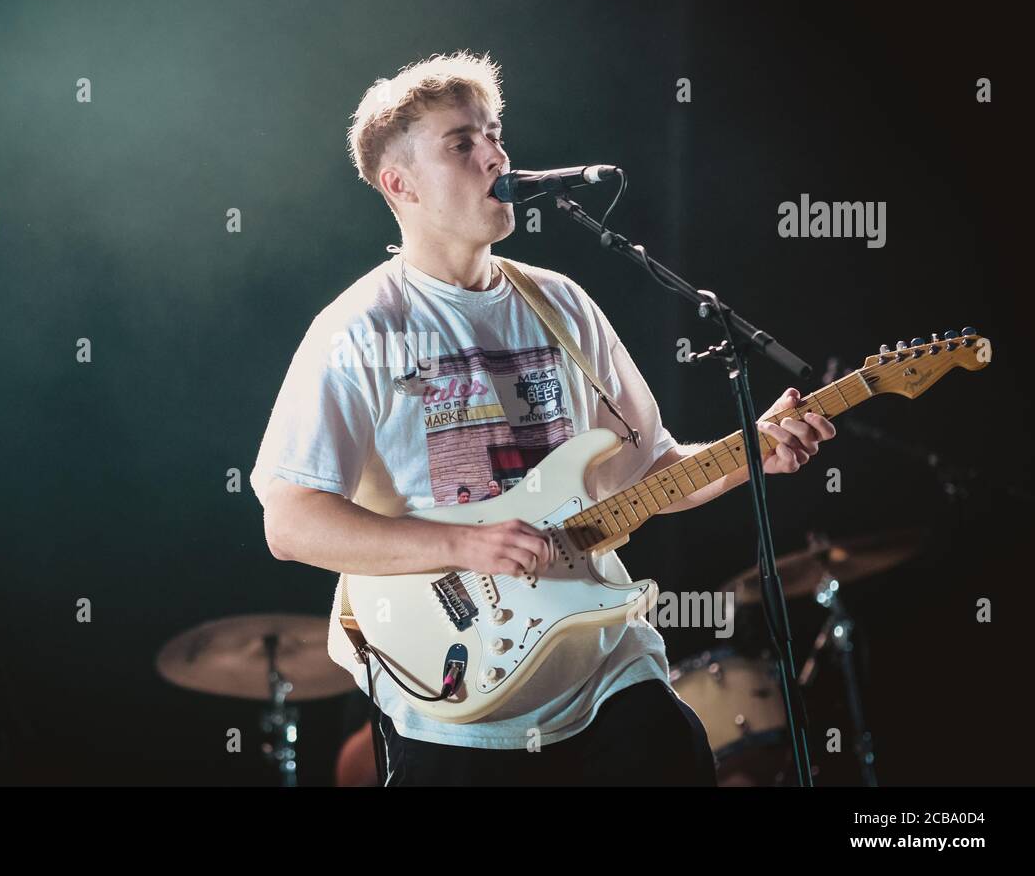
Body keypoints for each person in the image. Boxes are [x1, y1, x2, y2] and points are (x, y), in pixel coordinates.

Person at [251, 51, 835, 786]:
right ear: (398, 183)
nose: (495, 155)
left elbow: (652, 470)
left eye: (494, 134)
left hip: (606, 671)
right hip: (461, 699)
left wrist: (752, 452)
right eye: (461, 143)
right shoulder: (361, 328)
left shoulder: (562, 304)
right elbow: (292, 522)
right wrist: (465, 548)